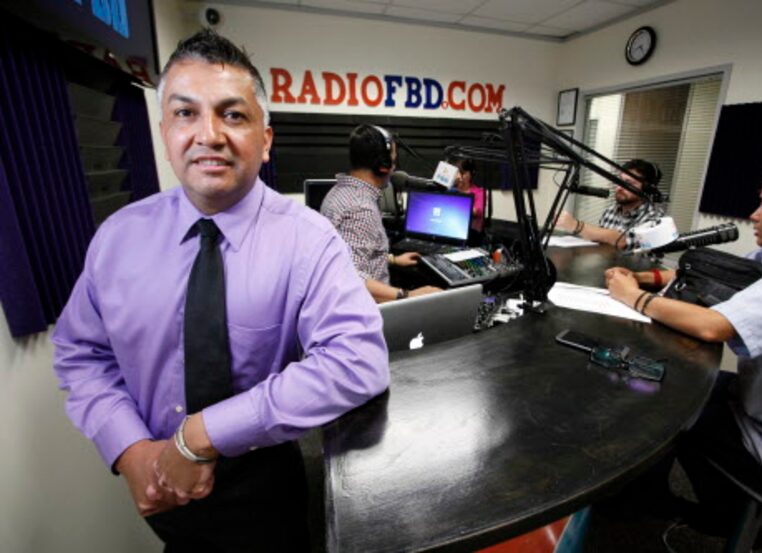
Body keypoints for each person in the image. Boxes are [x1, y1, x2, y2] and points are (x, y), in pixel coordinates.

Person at [51, 29, 389, 552]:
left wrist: (200, 436)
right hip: (156, 485)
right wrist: (129, 449)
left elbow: (356, 361)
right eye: (186, 113)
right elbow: (81, 354)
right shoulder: (117, 239)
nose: (208, 134)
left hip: (267, 494)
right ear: (164, 130)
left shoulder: (307, 238)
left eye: (233, 115)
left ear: (266, 138)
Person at [604, 157, 762, 533]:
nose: (754, 216)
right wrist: (643, 276)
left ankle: (709, 517)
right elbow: (718, 277)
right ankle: (708, 508)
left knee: (659, 409)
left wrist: (634, 298)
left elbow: (715, 326)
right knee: (670, 382)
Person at [321, 124, 441, 303]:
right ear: (383, 165)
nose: (394, 168)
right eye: (393, 160)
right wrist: (407, 296)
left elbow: (351, 254)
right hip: (367, 313)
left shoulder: (340, 192)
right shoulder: (361, 209)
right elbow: (350, 278)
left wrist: (392, 259)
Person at [556, 159, 664, 249]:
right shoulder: (610, 211)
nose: (619, 187)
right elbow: (600, 241)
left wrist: (576, 225)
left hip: (636, 273)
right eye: (619, 181)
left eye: (628, 183)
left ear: (647, 188)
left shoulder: (655, 218)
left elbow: (622, 240)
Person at [450, 157, 486, 233]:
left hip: (470, 231)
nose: (459, 176)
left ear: (471, 174)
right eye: (457, 172)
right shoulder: (450, 189)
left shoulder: (479, 192)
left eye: (463, 173)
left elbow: (477, 211)